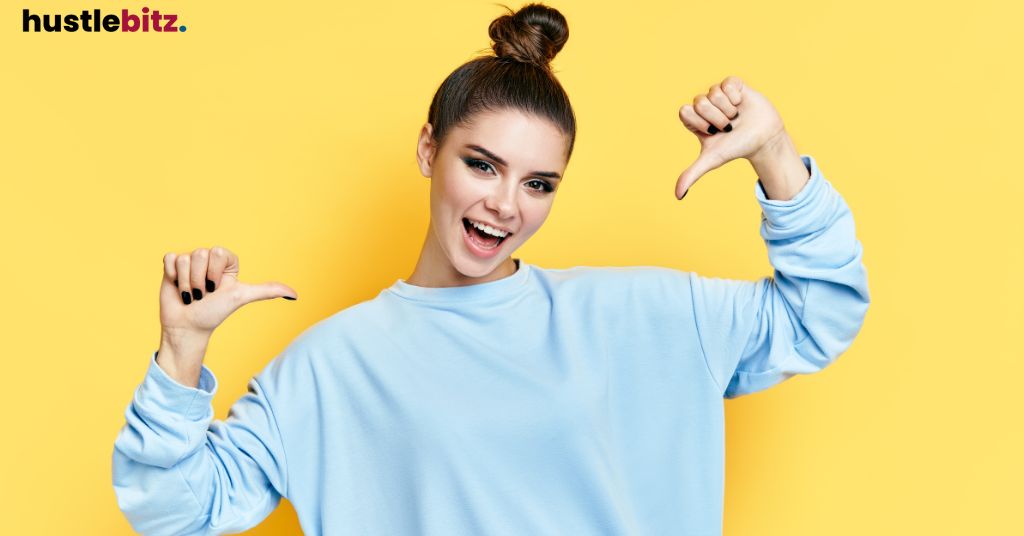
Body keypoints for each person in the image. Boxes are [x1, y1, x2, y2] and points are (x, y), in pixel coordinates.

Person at [111, 3, 870, 535]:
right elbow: (174, 509)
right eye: (482, 164)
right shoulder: (326, 369)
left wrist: (773, 152)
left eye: (538, 184)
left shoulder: (637, 315)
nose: (505, 205)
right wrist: (181, 352)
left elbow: (820, 315)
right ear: (428, 150)